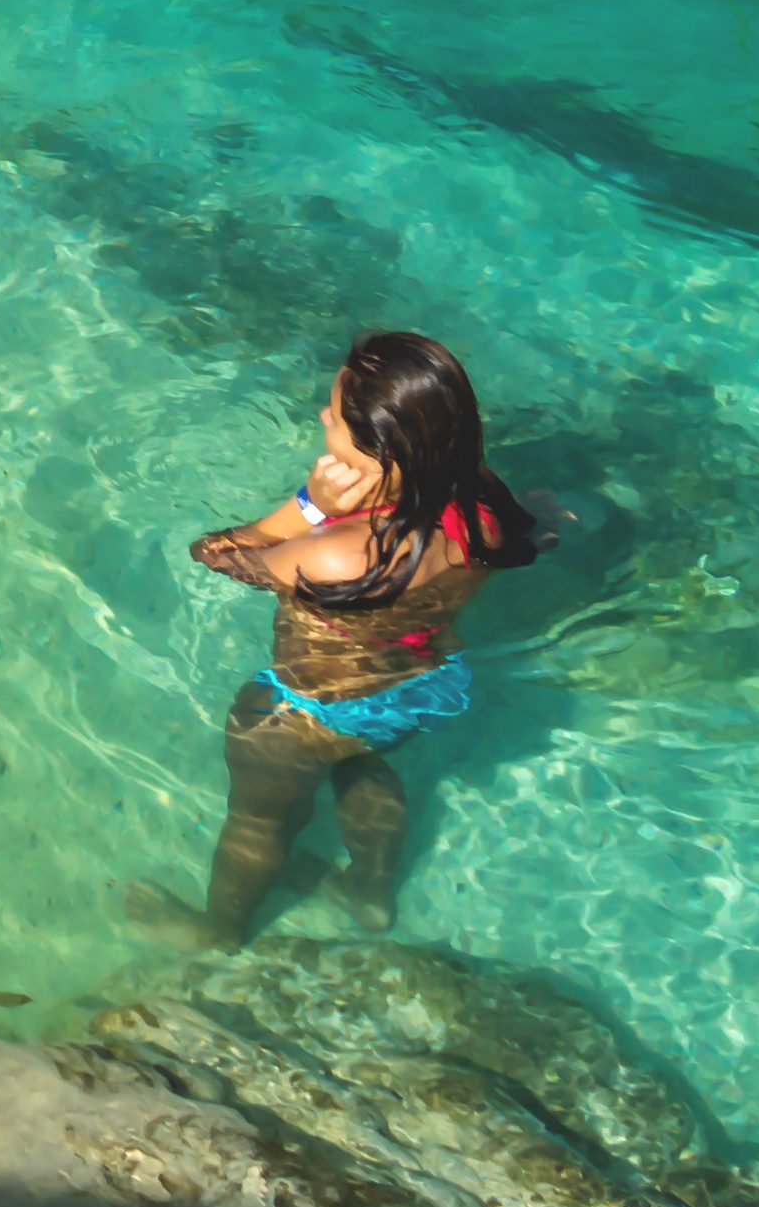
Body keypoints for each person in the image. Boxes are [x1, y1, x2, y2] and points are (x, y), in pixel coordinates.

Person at [124, 329, 539, 949]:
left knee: (257, 822)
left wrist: (310, 506)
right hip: (418, 687)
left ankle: (219, 931)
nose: (322, 414)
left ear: (378, 451)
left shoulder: (338, 555)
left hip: (309, 710)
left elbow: (216, 553)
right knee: (359, 762)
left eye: (337, 414)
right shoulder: (481, 506)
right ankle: (369, 892)